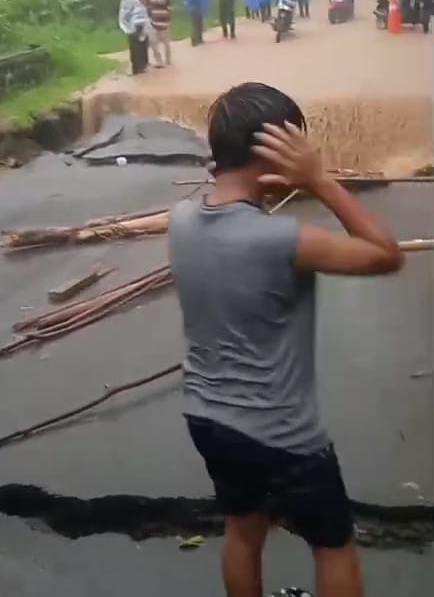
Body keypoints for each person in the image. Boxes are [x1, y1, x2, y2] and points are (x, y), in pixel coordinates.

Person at [169, 81, 403, 597]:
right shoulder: (279, 240)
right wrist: (320, 180)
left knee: (243, 532)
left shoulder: (181, 220)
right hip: (282, 435)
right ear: (271, 153)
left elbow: (232, 211)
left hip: (208, 419)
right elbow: (385, 253)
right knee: (333, 544)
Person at [115, 0, 151, 75]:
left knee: (136, 48)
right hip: (139, 25)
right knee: (141, 46)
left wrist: (128, 29)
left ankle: (138, 68)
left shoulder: (129, 0)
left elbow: (123, 17)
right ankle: (142, 66)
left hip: (136, 25)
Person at [146, 0, 172, 66]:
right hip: (153, 23)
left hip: (165, 23)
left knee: (166, 43)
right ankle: (158, 60)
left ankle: (168, 59)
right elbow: (148, 9)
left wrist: (168, 20)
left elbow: (170, 8)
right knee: (153, 43)